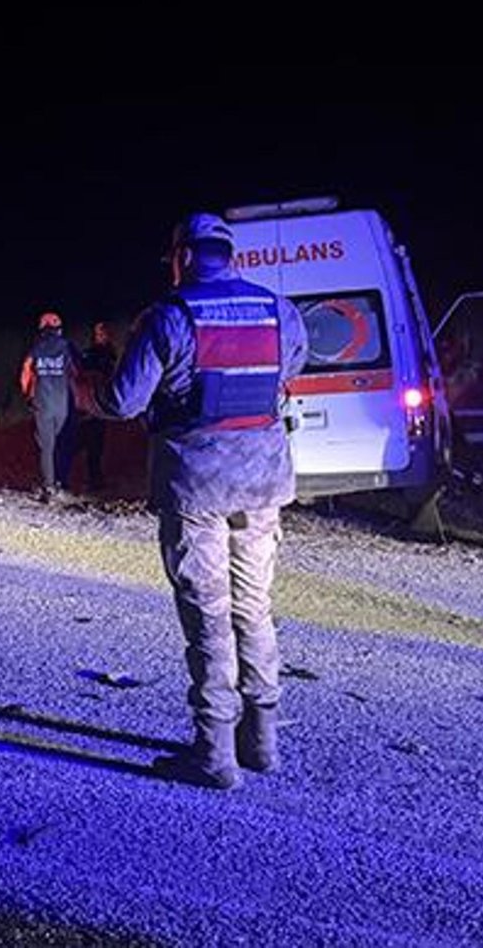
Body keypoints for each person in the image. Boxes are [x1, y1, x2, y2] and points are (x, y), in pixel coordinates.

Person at [78, 213, 308, 790]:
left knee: (208, 615)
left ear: (181, 257)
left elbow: (125, 402)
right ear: (230, 255)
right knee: (254, 606)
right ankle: (263, 742)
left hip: (197, 486)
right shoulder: (280, 311)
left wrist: (85, 393)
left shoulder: (168, 317)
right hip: (262, 486)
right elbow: (292, 371)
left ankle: (215, 754)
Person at [19, 312, 77, 500]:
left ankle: (49, 486)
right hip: (63, 404)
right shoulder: (67, 347)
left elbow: (25, 375)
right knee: (62, 443)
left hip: (42, 404)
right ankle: (63, 482)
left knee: (47, 446)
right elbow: (76, 373)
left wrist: (28, 397)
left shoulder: (35, 349)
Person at [74, 322, 118, 491]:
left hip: (98, 404)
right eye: (98, 333)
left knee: (95, 445)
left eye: (103, 333)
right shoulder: (91, 354)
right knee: (88, 441)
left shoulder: (108, 354)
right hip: (90, 403)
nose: (100, 336)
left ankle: (95, 479)